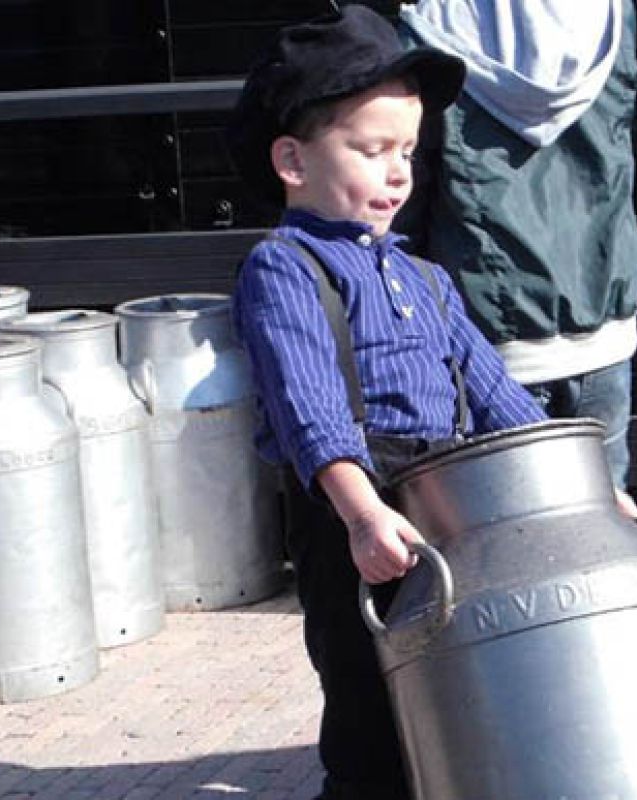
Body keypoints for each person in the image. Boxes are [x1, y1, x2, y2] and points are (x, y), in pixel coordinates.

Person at [225, 7, 550, 798]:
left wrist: (574, 481)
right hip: (352, 508)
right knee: (368, 698)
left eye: (405, 149)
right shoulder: (285, 268)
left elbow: (498, 394)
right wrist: (362, 513)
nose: (398, 171)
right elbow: (309, 409)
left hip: (444, 494)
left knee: (448, 684)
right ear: (293, 161)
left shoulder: (423, 276)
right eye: (371, 150)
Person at [395, 0, 637, 488]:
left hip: (489, 348)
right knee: (602, 533)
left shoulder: (432, 32)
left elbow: (406, 200)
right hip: (606, 333)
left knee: (508, 547)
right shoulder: (611, 18)